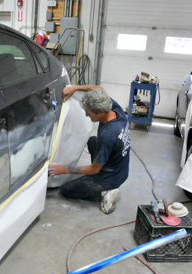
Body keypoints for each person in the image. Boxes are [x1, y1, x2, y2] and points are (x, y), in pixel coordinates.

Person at [49, 85, 131, 214]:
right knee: (93, 140)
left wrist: (63, 169)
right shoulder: (114, 108)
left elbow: (94, 169)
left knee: (66, 190)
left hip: (110, 177)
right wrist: (74, 88)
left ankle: (105, 192)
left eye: (90, 112)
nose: (87, 115)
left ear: (101, 112)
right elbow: (100, 88)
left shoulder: (108, 135)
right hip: (120, 169)